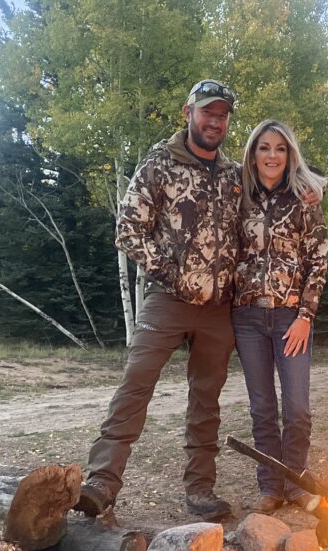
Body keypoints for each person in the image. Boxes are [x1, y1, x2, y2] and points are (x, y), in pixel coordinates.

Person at [75, 79, 243, 522]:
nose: (214, 120)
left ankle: (201, 489)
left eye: (222, 114)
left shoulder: (233, 175)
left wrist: (306, 190)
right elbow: (127, 230)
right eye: (207, 111)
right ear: (188, 112)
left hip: (219, 309)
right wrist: (172, 273)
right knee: (136, 384)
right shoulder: (160, 162)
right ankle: (101, 484)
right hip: (167, 299)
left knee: (207, 399)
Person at [232, 120, 328, 513]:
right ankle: (270, 486)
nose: (272, 155)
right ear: (253, 153)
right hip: (247, 318)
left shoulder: (304, 199)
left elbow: (318, 260)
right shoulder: (238, 197)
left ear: (290, 155)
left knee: (297, 406)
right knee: (262, 408)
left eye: (280, 148)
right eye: (264, 147)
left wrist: (306, 315)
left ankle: (296, 482)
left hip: (291, 317)